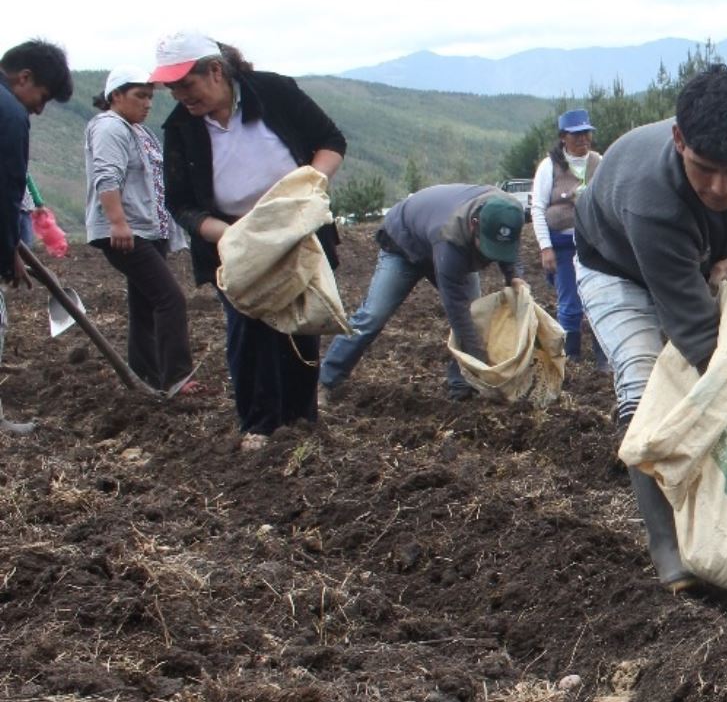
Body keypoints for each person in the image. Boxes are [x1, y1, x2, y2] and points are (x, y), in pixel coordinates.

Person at [572, 64, 727, 592]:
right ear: (679, 140)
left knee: (722, 382)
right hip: (615, 264)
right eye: (703, 169)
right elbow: (697, 336)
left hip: (694, 254)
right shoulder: (648, 196)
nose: (720, 188)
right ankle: (668, 543)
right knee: (648, 382)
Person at [154, 32, 346, 450]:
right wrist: (229, 234)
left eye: (187, 85)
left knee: (300, 323)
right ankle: (258, 427)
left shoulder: (274, 93)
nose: (181, 97)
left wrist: (309, 188)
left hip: (297, 231)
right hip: (233, 241)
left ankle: (300, 422)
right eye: (172, 89)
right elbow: (180, 202)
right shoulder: (181, 128)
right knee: (249, 328)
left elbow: (330, 141)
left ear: (216, 71)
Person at [319, 185, 526, 400]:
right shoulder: (450, 236)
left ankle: (463, 388)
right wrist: (479, 360)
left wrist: (515, 275)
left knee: (476, 317)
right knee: (373, 315)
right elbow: (457, 311)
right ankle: (326, 380)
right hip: (403, 244)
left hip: (437, 239)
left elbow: (509, 246)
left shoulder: (508, 213)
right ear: (475, 225)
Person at [83, 67, 200, 397]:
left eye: (150, 96)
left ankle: (144, 379)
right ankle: (177, 378)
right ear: (116, 96)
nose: (147, 103)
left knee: (146, 304)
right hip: (125, 229)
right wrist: (118, 222)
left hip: (148, 229)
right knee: (170, 299)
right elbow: (107, 176)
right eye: (140, 96)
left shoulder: (137, 130)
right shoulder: (109, 127)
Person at [0, 40, 74, 435]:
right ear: (24, 77)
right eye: (41, 97)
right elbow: (7, 188)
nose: (38, 109)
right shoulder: (9, 112)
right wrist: (8, 249)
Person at [529, 109, 608, 373]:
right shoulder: (549, 166)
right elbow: (538, 208)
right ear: (564, 137)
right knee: (570, 302)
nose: (583, 139)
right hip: (562, 244)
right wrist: (545, 247)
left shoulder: (600, 162)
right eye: (576, 135)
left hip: (595, 244)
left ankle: (603, 355)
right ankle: (572, 357)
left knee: (598, 297)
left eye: (586, 133)